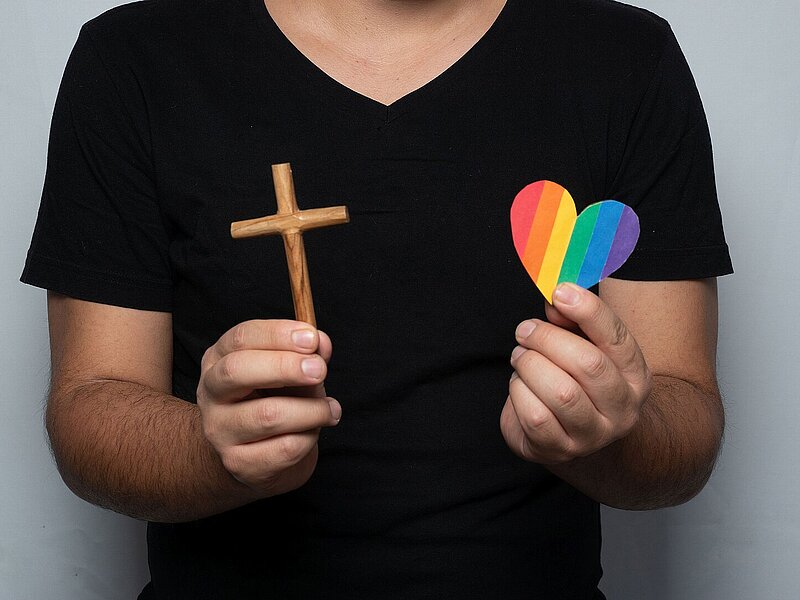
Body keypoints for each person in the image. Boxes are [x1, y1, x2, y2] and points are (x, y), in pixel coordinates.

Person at [22, 0, 732, 598]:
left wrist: (602, 432)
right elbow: (90, 406)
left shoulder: (626, 56)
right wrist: (216, 451)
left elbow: (687, 424)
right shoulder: (133, 57)